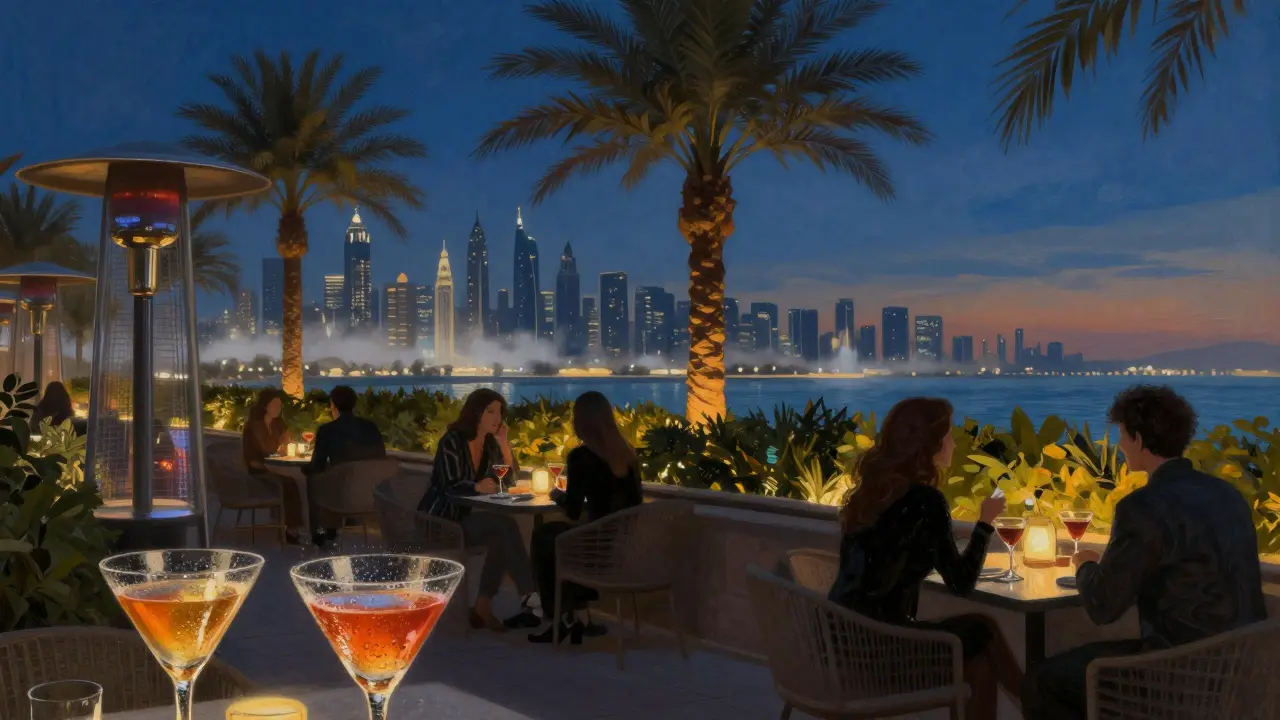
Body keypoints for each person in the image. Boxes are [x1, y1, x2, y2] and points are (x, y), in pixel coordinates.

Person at [1022, 385, 1266, 719]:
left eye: (1123, 436)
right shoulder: (1228, 496)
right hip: (1241, 670)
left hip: (1175, 674)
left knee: (1041, 681)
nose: (1121, 445)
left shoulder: (1142, 507)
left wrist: (1085, 564)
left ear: (1137, 439)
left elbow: (1104, 606)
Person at [828, 397, 1021, 720]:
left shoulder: (871, 494)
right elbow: (961, 583)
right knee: (982, 628)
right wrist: (985, 523)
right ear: (930, 444)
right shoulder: (925, 501)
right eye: (948, 435)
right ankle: (1037, 705)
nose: (953, 442)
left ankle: (1037, 706)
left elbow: (890, 556)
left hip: (841, 642)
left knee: (980, 663)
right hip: (881, 648)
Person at [418, 389, 541, 632]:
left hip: (461, 520)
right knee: (503, 526)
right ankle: (530, 599)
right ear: (476, 412)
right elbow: (449, 484)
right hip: (440, 520)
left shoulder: (490, 444)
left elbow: (507, 480)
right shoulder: (452, 442)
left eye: (500, 412)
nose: (497, 418)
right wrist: (476, 486)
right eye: (490, 411)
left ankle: (484, 606)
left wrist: (504, 443)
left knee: (501, 534)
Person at [528, 391, 644, 644]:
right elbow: (634, 502)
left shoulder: (581, 457)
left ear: (580, 422)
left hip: (593, 549)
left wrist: (556, 494)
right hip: (621, 547)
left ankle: (556, 618)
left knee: (544, 537)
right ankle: (580, 618)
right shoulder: (628, 455)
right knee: (559, 540)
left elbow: (573, 510)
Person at [303, 385, 387, 546]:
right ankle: (333, 529)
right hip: (372, 493)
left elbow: (317, 465)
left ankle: (321, 534)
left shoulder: (327, 430)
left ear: (333, 406)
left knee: (314, 481)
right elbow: (380, 458)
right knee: (332, 480)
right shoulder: (370, 427)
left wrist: (305, 470)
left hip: (345, 495)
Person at [241, 387, 305, 544]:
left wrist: (284, 444)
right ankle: (291, 529)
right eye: (275, 405)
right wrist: (267, 465)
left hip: (275, 468)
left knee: (299, 480)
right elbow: (251, 458)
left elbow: (283, 447)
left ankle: (298, 526)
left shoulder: (279, 424)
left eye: (280, 405)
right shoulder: (252, 427)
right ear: (265, 406)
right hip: (258, 471)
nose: (278, 408)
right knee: (289, 483)